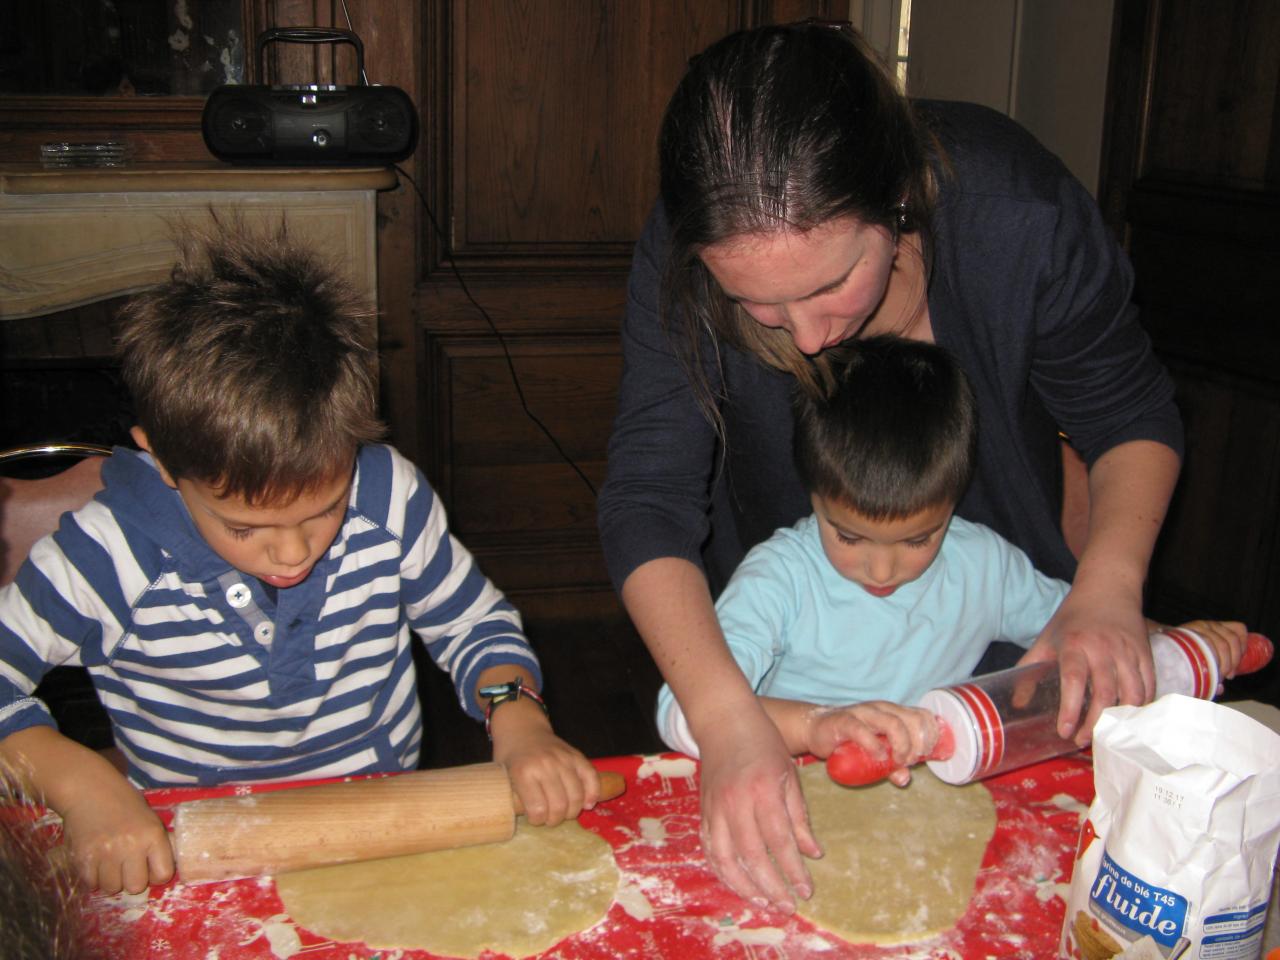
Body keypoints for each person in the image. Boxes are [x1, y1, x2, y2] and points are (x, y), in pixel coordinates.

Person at [598, 21, 1186, 912]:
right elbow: (648, 500)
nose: (801, 336)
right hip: (807, 673)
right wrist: (728, 722)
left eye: (831, 283)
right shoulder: (688, 244)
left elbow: (1130, 416)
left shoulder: (1015, 214)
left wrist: (1106, 591)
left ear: (901, 200)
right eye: (751, 301)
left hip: (1009, 662)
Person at [0, 219, 600, 897]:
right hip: (187, 846)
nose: (293, 552)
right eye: (245, 525)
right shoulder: (107, 556)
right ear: (163, 461)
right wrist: (81, 787)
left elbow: (471, 625)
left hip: (382, 819)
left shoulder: (388, 498)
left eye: (322, 509)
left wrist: (516, 711)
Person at [652, 339, 1247, 794]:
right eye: (849, 535)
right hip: (783, 787)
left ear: (953, 501)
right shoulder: (779, 580)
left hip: (925, 799)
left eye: (918, 539)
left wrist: (1175, 641)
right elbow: (680, 713)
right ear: (813, 494)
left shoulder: (983, 564)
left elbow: (1081, 629)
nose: (881, 569)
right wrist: (817, 726)